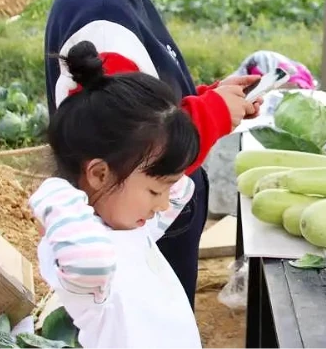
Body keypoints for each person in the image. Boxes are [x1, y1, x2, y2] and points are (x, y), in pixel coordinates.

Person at [43, 0, 261, 309]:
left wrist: (210, 96)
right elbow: (132, 143)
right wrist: (213, 115)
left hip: (153, 225)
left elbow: (141, 95)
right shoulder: (102, 7)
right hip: (139, 234)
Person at [31, 41, 202, 348]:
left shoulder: (133, 224)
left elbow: (180, 189)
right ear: (98, 174)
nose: (162, 204)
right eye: (153, 190)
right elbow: (90, 259)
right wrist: (53, 190)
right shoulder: (84, 267)